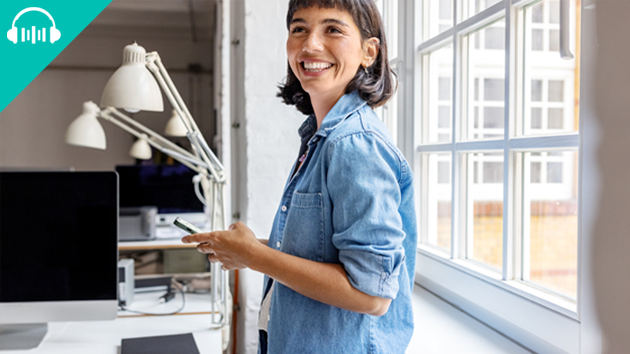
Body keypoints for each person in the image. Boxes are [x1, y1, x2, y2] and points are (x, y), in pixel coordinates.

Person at [182, 0, 417, 352]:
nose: (310, 45)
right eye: (299, 29)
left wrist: (255, 257)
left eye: (333, 29)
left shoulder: (355, 145)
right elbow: (325, 256)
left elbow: (371, 294)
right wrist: (246, 250)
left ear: (369, 51)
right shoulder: (322, 138)